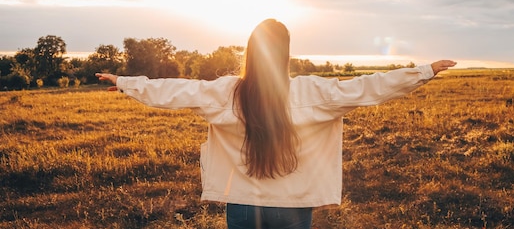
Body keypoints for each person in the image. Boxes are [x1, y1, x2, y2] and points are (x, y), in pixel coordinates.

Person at [97, 19, 456, 229]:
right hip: (293, 205)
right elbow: (368, 87)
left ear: (250, 52)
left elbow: (176, 91)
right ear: (284, 53)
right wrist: (424, 71)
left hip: (241, 205)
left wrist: (126, 82)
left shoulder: (227, 93)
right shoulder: (311, 92)